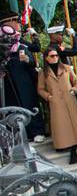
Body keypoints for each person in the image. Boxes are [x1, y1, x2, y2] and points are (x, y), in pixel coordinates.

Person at [38, 44, 77, 163]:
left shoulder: (66, 68)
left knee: (75, 121)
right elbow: (40, 89)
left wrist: (73, 90)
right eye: (52, 56)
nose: (55, 57)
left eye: (56, 55)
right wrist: (49, 97)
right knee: (61, 124)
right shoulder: (43, 72)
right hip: (56, 101)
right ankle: (63, 144)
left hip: (69, 99)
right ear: (46, 57)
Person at [2, 10, 45, 140]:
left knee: (29, 102)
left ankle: (36, 131)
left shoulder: (19, 40)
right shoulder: (4, 40)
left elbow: (34, 56)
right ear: (7, 23)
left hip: (24, 78)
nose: (19, 25)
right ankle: (15, 134)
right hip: (7, 80)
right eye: (16, 21)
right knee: (11, 106)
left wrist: (27, 59)